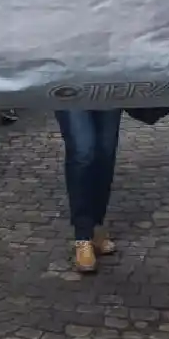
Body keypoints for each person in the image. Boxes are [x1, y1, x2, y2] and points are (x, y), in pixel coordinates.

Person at [55, 108, 122, 272]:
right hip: (70, 89)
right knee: (82, 151)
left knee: (106, 151)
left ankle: (97, 226)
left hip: (108, 88)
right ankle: (83, 236)